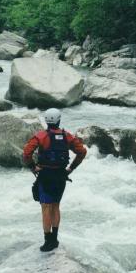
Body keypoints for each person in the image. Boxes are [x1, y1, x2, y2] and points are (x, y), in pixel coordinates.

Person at [22, 108, 87, 252]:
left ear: (46, 120)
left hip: (45, 175)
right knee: (56, 206)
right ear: (59, 120)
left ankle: (47, 241)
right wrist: (71, 168)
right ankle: (55, 239)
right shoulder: (67, 137)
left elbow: (26, 153)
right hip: (61, 176)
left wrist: (33, 167)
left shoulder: (41, 136)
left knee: (46, 207)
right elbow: (82, 152)